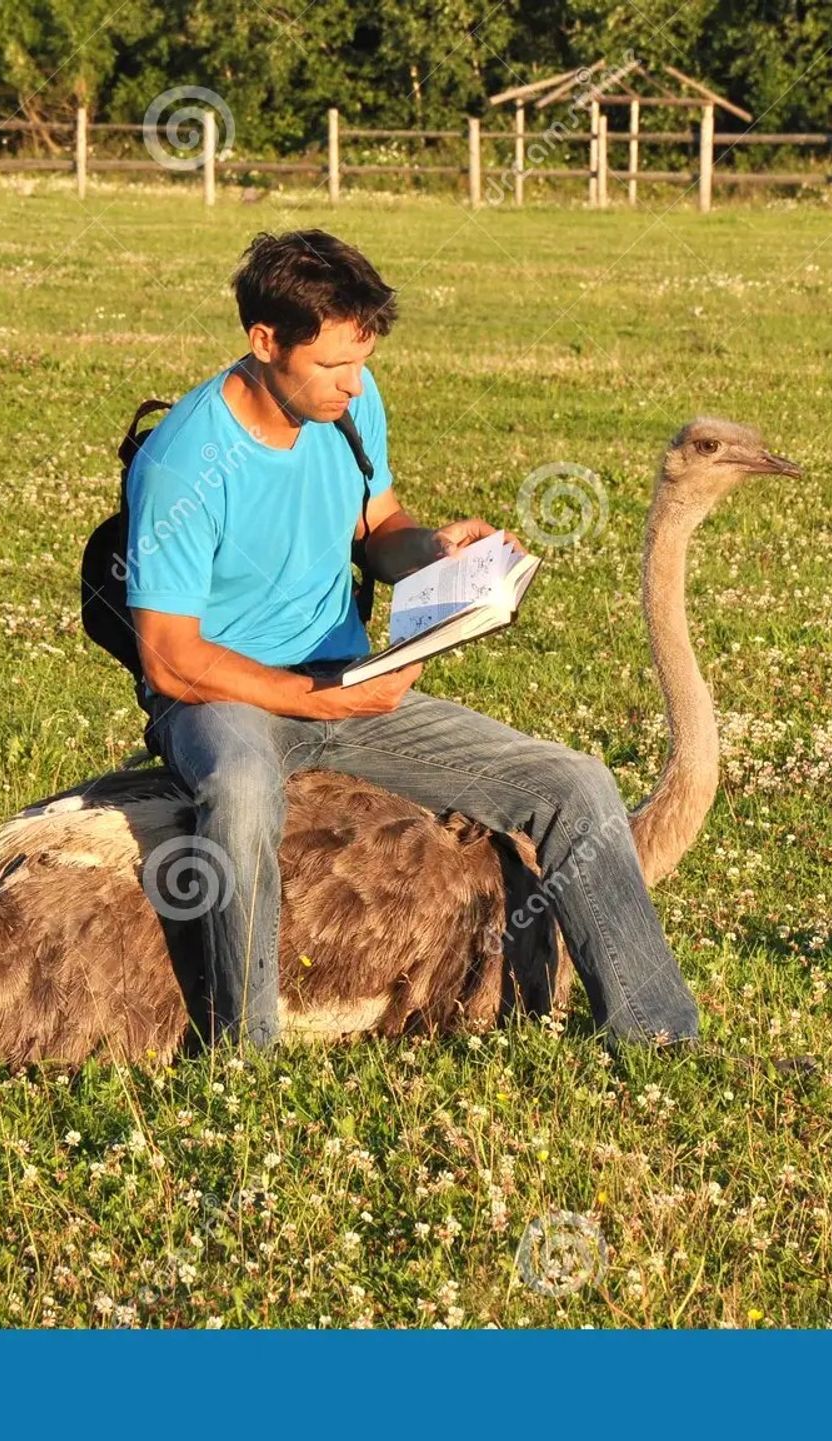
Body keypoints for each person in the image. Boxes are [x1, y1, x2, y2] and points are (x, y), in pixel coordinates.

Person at [123, 228, 699, 1054]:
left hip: (350, 680)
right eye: (332, 367)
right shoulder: (185, 462)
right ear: (264, 341)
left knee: (572, 782)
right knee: (244, 792)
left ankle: (659, 1038)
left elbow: (376, 527)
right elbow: (170, 656)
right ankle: (241, 1051)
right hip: (223, 693)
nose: (354, 387)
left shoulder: (351, 406)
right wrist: (320, 699)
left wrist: (431, 550)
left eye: (362, 363)